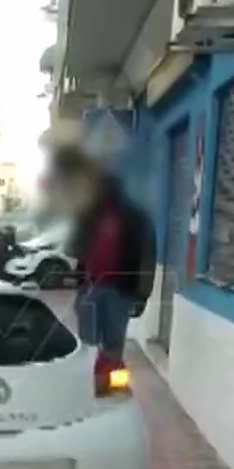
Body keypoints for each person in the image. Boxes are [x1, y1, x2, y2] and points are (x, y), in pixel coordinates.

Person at [50, 146, 157, 362]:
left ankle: (108, 386)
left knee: (112, 346)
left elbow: (147, 255)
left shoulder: (134, 217)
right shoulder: (89, 215)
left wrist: (142, 295)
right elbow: (75, 248)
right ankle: (89, 385)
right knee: (87, 346)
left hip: (120, 292)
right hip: (91, 288)